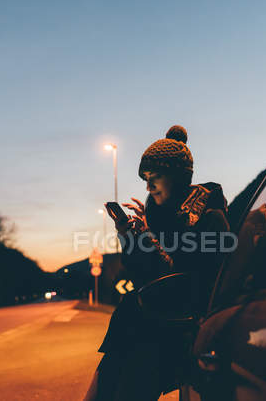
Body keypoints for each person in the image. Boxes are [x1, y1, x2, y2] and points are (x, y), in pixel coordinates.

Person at [84, 125, 230, 401]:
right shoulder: (160, 215)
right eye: (146, 179)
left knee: (127, 381)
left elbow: (188, 281)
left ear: (178, 177)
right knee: (105, 380)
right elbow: (140, 272)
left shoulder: (210, 218)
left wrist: (148, 237)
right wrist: (129, 234)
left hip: (176, 326)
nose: (149, 186)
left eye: (156, 177)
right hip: (146, 318)